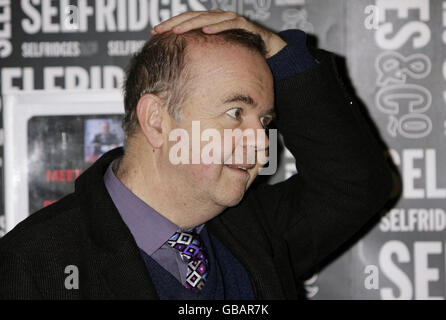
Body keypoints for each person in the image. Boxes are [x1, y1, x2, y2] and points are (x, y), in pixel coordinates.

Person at [0, 10, 393, 299]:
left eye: (266, 120)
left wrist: (283, 56)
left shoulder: (255, 229)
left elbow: (355, 185)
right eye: (236, 113)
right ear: (156, 121)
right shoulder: (34, 268)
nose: (261, 141)